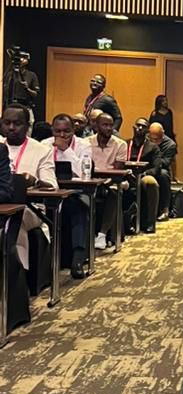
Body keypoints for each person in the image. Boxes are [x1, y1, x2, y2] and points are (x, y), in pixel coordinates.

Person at [1, 106, 57, 271]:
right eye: (7, 123)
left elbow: (52, 185)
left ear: (27, 126)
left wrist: (35, 181)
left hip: (31, 208)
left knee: (14, 222)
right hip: (2, 204)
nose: (11, 127)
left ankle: (18, 273)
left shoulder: (42, 150)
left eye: (17, 123)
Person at [43, 114, 93, 277]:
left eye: (66, 131)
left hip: (75, 192)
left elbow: (83, 172)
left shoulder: (83, 145)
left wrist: (66, 150)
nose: (62, 135)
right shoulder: (44, 145)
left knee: (78, 209)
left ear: (73, 130)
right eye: (57, 131)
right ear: (52, 130)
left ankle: (78, 259)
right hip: (50, 192)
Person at [89, 112, 127, 249]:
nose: (109, 128)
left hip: (111, 182)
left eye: (111, 125)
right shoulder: (86, 143)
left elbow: (117, 171)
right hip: (90, 181)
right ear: (96, 126)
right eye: (105, 125)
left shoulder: (120, 144)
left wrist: (104, 180)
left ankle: (102, 234)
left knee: (114, 192)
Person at [124, 119, 161, 233]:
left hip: (143, 175)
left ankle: (150, 223)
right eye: (138, 125)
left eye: (143, 126)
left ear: (147, 131)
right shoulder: (125, 144)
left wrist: (143, 174)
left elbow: (156, 168)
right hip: (125, 175)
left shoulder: (152, 147)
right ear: (133, 127)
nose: (140, 128)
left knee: (151, 182)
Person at [147, 122, 176, 222]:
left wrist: (155, 160)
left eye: (157, 139)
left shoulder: (170, 144)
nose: (154, 141)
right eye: (152, 139)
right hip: (146, 167)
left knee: (163, 174)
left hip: (160, 169)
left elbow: (166, 162)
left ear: (162, 133)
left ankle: (165, 210)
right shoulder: (145, 139)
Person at [2, 50, 39, 123]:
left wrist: (27, 88)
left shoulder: (31, 75)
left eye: (24, 58)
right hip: (11, 106)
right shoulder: (10, 75)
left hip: (25, 106)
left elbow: (35, 94)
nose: (21, 60)